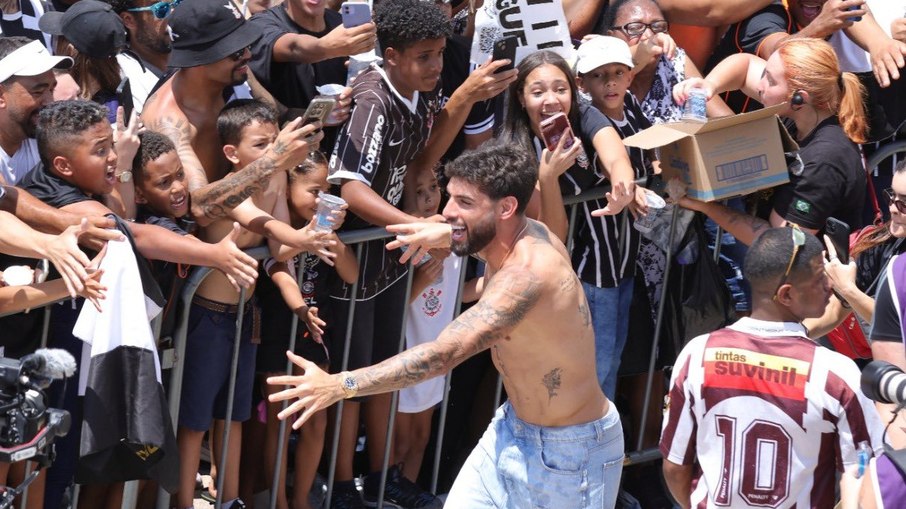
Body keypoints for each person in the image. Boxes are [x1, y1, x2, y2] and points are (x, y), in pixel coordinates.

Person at [268, 143, 625, 509]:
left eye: (465, 203)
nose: (449, 211)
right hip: (511, 429)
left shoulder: (527, 277)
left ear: (506, 208)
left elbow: (442, 355)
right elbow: (478, 238)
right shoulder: (518, 234)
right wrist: (443, 233)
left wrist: (340, 384)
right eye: (450, 197)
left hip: (571, 452)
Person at [322, 0, 451, 506]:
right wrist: (414, 224)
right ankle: (338, 487)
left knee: (386, 368)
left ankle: (380, 478)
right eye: (425, 56)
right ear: (392, 55)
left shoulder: (420, 88)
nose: (436, 65)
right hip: (351, 260)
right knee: (351, 378)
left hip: (390, 257)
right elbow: (349, 186)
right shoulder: (373, 100)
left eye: (440, 53)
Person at [659, 227, 883, 508]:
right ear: (786, 295)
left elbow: (674, 466)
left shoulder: (698, 355)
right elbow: (862, 470)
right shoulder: (836, 374)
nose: (830, 285)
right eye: (819, 279)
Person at [497, 49, 639, 401]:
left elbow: (615, 153)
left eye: (560, 89)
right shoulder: (516, 153)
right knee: (592, 375)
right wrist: (547, 177)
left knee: (612, 364)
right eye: (538, 91)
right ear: (520, 97)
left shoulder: (585, 116)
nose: (551, 100)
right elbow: (553, 236)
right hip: (577, 275)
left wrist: (623, 183)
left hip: (619, 264)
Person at [141, 0, 322, 226]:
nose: (247, 54)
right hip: (211, 250)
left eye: (247, 44)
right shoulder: (169, 121)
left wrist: (311, 124)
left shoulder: (237, 74)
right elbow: (199, 207)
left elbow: (281, 115)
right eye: (236, 51)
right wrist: (273, 161)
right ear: (199, 60)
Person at [674, 37, 867, 242]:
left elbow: (780, 242)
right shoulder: (805, 113)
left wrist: (706, 206)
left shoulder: (823, 160)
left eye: (770, 80)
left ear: (799, 98)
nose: (759, 84)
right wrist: (708, 85)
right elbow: (746, 65)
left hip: (802, 270)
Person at [251, 151, 358, 509]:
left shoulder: (324, 231)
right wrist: (299, 307)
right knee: (279, 420)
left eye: (328, 190)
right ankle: (279, 501)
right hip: (280, 330)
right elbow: (279, 265)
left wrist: (334, 241)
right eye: (315, 190)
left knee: (315, 419)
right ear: (289, 186)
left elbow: (351, 274)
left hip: (317, 331)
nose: (321, 199)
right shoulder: (277, 229)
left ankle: (301, 501)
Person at [106, 0, 177, 113]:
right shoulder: (121, 73)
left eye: (177, 3)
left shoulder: (194, 53)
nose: (173, 14)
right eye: (161, 9)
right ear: (128, 20)